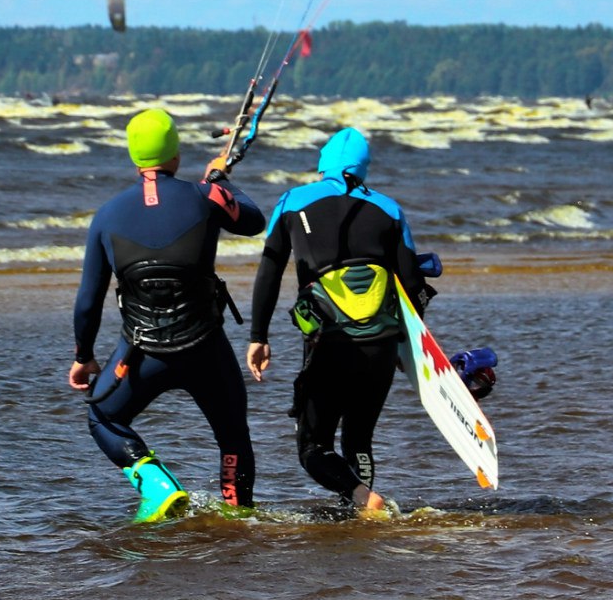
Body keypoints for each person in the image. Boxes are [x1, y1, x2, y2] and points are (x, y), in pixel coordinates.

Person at [67, 107, 266, 522]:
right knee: (232, 435)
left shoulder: (106, 216)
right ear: (175, 155)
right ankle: (236, 516)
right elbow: (253, 221)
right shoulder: (205, 195)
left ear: (134, 158)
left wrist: (84, 355)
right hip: (206, 348)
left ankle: (156, 482)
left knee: (103, 416)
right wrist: (220, 181)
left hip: (141, 353)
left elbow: (89, 300)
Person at [246, 127, 434, 514]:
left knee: (314, 447)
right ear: (364, 169)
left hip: (328, 343)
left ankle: (363, 500)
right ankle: (360, 504)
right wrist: (407, 343)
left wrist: (258, 336)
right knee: (359, 438)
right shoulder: (389, 209)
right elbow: (414, 283)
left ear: (322, 165)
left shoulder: (292, 201)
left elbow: (269, 272)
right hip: (380, 343)